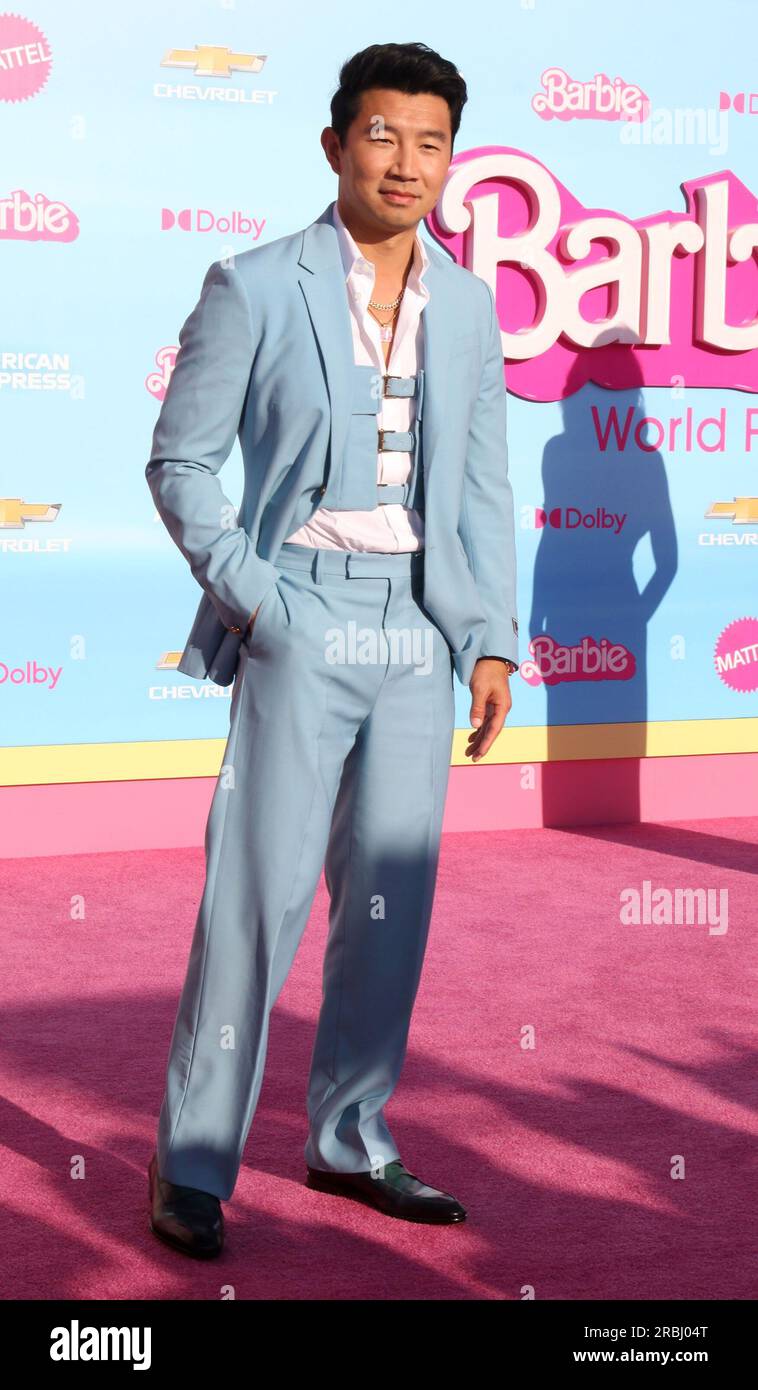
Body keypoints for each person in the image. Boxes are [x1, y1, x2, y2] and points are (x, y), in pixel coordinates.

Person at [145, 40, 519, 1258]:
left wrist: (488, 641)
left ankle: (350, 1138)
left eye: (429, 142)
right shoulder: (253, 284)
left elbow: (478, 491)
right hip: (296, 612)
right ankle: (193, 1165)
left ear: (448, 157)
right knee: (252, 902)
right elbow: (180, 463)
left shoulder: (466, 306)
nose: (406, 163)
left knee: (389, 902)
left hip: (417, 627)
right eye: (382, 135)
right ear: (333, 144)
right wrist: (258, 600)